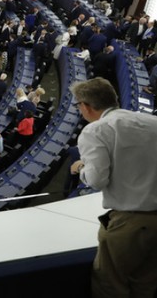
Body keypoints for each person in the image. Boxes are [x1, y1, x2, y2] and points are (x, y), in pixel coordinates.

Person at [69, 78, 157, 298]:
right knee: (146, 282)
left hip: (130, 222)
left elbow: (96, 179)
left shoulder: (95, 131)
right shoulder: (152, 121)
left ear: (86, 106)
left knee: (110, 284)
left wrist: (81, 167)